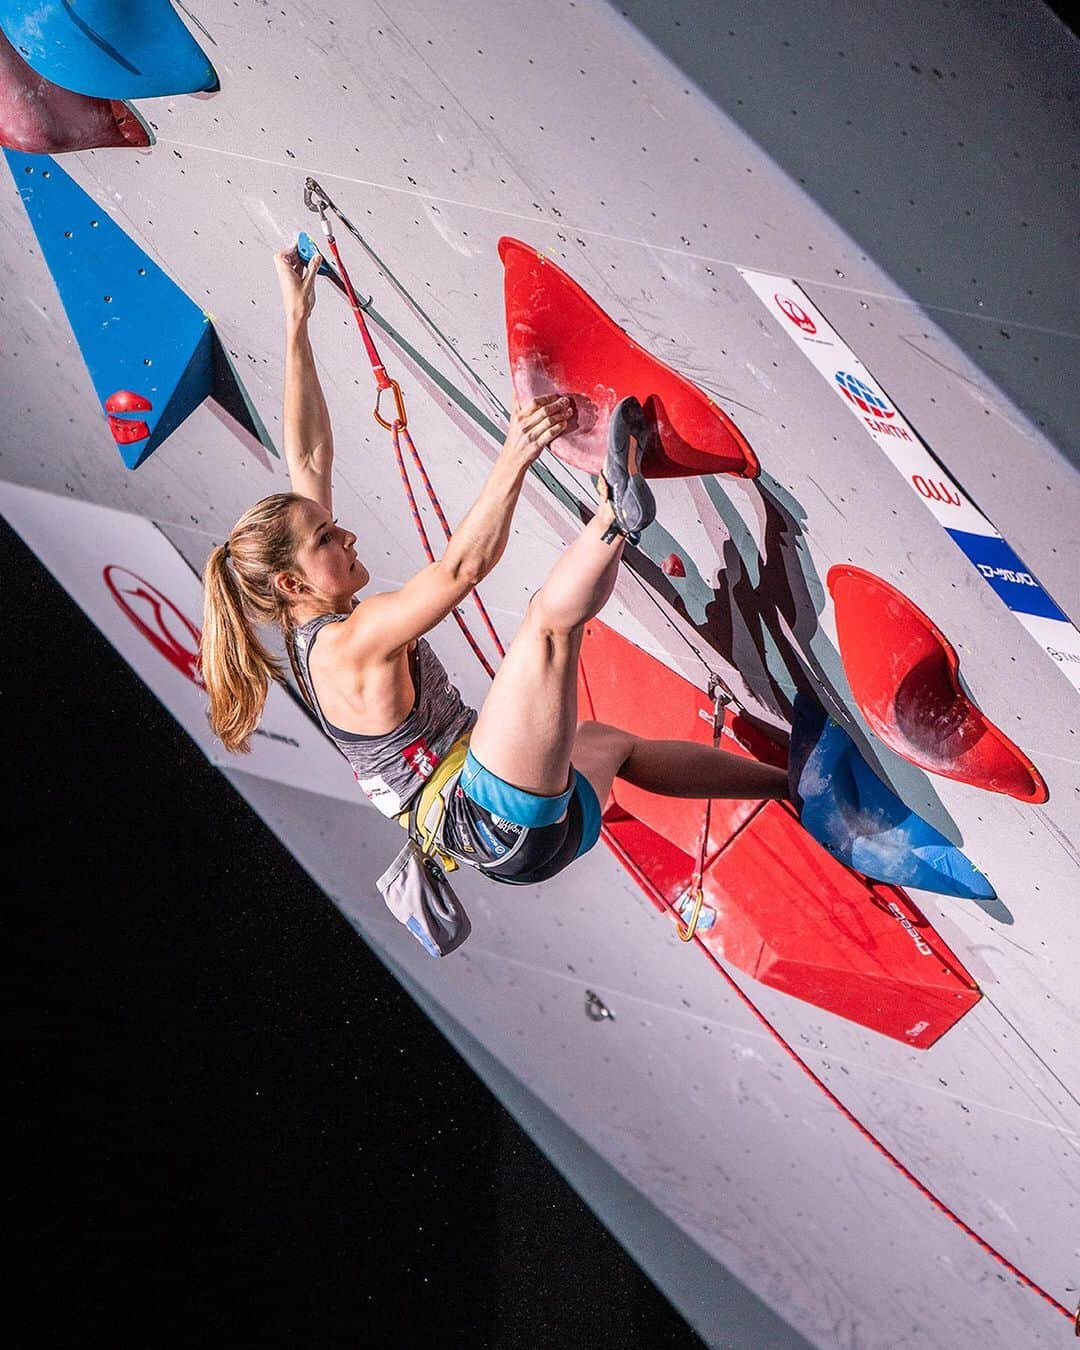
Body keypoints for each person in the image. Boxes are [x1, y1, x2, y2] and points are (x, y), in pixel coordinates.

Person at [200, 244, 788, 887]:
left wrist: (296, 323)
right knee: (544, 626)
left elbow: (309, 454)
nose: (346, 533)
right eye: (327, 538)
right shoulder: (345, 647)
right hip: (491, 819)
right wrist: (516, 454)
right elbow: (458, 572)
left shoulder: (304, 607)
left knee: (613, 747)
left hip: (520, 820)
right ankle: (618, 515)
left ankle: (792, 786)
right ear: (292, 582)